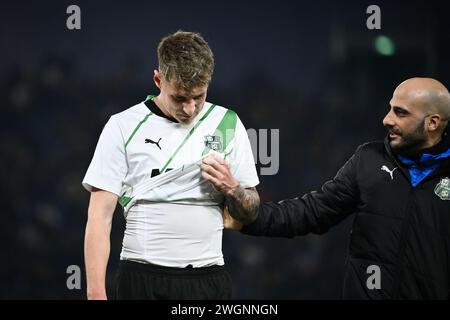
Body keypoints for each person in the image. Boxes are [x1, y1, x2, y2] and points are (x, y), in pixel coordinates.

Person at [209, 77, 450, 299]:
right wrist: (250, 216)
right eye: (390, 108)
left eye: (400, 113)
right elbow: (313, 211)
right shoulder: (369, 159)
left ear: (432, 123)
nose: (387, 119)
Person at [82, 31, 260, 300]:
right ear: (158, 79)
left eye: (198, 97)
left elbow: (250, 212)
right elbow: (99, 217)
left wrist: (233, 189)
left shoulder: (228, 124)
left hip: (207, 278)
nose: (189, 109)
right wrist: (96, 294)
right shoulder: (122, 126)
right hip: (142, 278)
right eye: (180, 98)